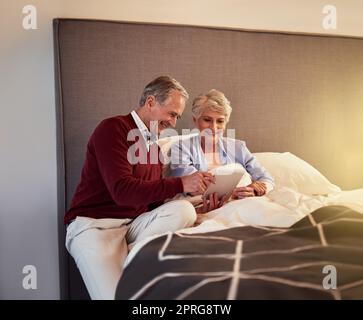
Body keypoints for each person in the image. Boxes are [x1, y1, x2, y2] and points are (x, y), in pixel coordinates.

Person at [64, 76, 215, 245]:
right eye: (172, 114)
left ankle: (136, 256)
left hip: (134, 225)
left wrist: (199, 207)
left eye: (177, 117)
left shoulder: (154, 149)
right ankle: (135, 260)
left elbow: (154, 204)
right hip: (96, 224)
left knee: (184, 211)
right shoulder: (113, 128)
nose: (173, 123)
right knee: (117, 273)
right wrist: (181, 183)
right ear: (150, 102)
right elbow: (122, 191)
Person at [169, 89, 274, 213]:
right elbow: (194, 186)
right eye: (207, 120)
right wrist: (235, 192)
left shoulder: (238, 147)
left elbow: (267, 179)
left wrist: (256, 189)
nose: (214, 127)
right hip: (203, 207)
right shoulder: (181, 148)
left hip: (242, 204)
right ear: (195, 120)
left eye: (220, 121)